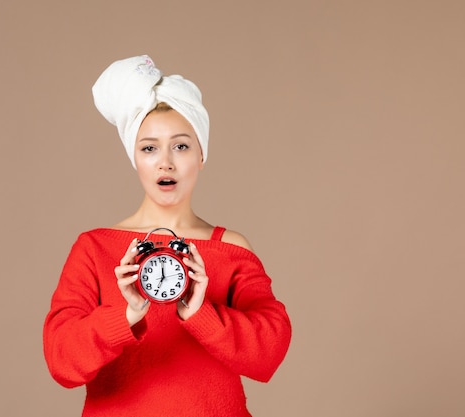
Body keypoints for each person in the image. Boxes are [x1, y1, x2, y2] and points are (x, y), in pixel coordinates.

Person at [43, 55, 292, 417]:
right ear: (135, 157)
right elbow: (61, 361)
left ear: (201, 154)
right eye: (149, 147)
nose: (166, 162)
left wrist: (201, 313)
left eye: (181, 145)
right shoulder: (94, 249)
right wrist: (124, 315)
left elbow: (269, 353)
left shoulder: (230, 248)